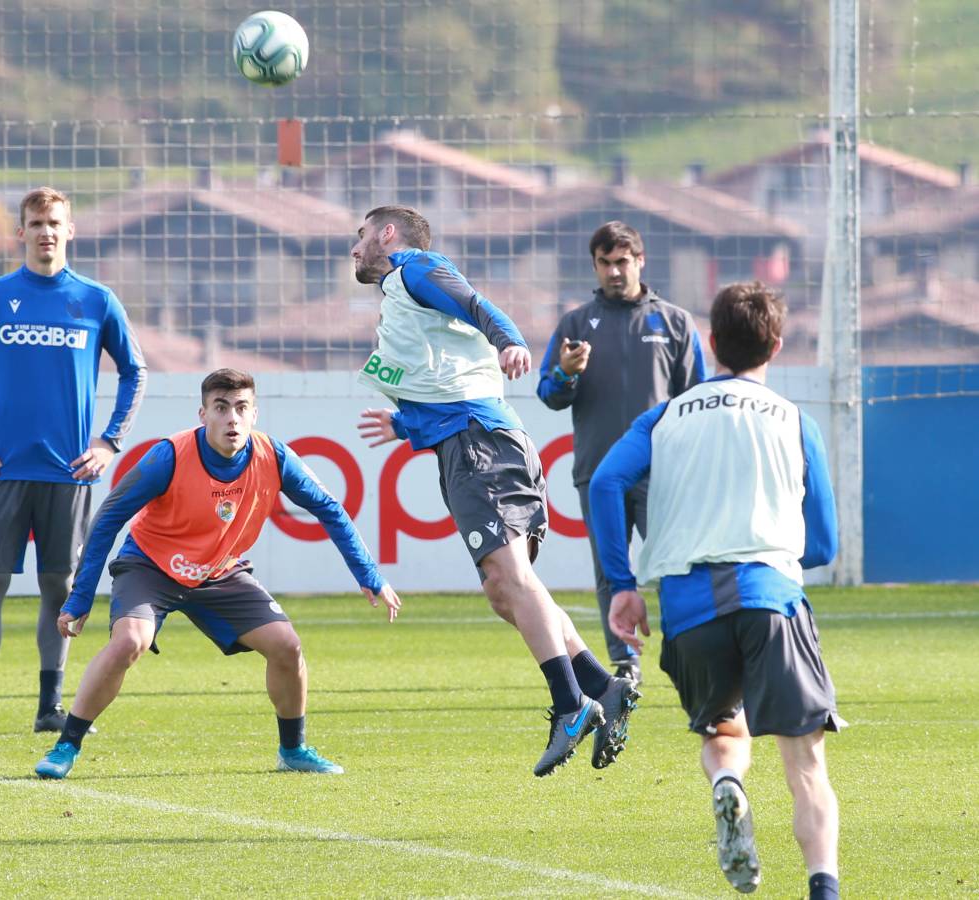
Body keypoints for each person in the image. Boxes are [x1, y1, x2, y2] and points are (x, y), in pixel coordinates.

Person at [350, 205, 639, 777]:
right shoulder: (404, 297)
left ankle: (568, 706)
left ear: (387, 233)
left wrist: (510, 339)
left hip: (480, 445)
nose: (354, 249)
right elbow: (452, 373)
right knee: (505, 591)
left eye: (360, 237)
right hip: (476, 442)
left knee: (512, 580)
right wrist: (405, 424)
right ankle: (603, 688)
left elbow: (478, 305)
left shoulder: (414, 267)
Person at [590, 282, 843, 898]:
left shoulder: (662, 417)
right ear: (776, 346)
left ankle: (726, 784)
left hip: (688, 606)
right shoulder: (795, 420)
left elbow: (604, 484)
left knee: (725, 733)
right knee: (805, 761)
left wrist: (623, 585)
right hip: (770, 597)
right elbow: (826, 546)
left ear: (709, 343)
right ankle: (823, 887)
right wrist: (779, 553)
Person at [33, 368, 402, 779]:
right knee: (129, 643)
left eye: (241, 408)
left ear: (255, 414)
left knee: (287, 646)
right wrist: (81, 597)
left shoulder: (274, 457)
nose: (232, 419)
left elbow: (330, 509)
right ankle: (66, 745)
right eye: (221, 408)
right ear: (203, 413)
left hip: (221, 571)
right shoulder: (168, 456)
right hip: (151, 566)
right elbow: (108, 517)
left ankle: (293, 750)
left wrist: (370, 575)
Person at [0, 186, 146, 737]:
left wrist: (108, 442)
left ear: (69, 230)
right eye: (36, 223)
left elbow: (135, 372)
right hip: (0, 471)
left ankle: (50, 707)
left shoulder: (96, 300)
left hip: (68, 473)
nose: (46, 232)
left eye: (55, 222)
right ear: (19, 233)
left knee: (60, 588)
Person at [537, 221, 706, 684]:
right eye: (605, 262)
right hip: (597, 470)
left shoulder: (675, 322)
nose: (614, 271)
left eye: (622, 261)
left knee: (676, 562)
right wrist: (567, 373)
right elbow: (549, 393)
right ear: (595, 265)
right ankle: (625, 659)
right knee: (610, 568)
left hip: (662, 470)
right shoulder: (575, 324)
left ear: (640, 261)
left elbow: (697, 398)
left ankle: (685, 647)